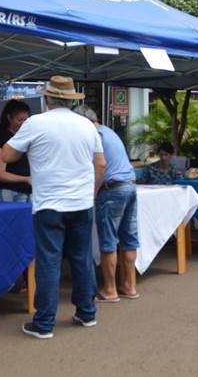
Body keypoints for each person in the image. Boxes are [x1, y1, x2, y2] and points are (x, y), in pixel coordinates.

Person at [2, 76, 106, 338]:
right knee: (82, 258)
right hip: (81, 203)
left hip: (49, 204)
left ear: (46, 99)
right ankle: (86, 313)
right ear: (71, 100)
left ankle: (45, 323)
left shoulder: (35, 123)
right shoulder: (87, 125)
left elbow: (6, 156)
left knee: (49, 262)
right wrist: (91, 193)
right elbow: (101, 163)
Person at [73, 106, 140, 302]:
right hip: (129, 186)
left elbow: (99, 165)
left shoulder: (96, 136)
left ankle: (110, 289)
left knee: (108, 241)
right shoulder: (109, 131)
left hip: (112, 190)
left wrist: (93, 191)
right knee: (129, 239)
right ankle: (130, 286)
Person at [0, 99, 32, 201]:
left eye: (26, 120)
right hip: (12, 192)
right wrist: (26, 179)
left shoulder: (27, 135)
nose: (23, 123)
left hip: (30, 192)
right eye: (19, 120)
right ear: (9, 118)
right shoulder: (1, 137)